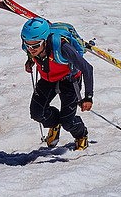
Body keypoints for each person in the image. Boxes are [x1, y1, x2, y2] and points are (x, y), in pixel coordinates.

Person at [21, 17, 94, 150]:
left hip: (70, 81)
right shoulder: (30, 43)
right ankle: (55, 123)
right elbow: (31, 51)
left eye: (35, 45)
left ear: (45, 40)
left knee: (68, 122)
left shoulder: (62, 47)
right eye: (28, 45)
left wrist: (88, 97)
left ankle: (81, 135)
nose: (31, 49)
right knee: (37, 113)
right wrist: (30, 60)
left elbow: (87, 68)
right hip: (48, 79)